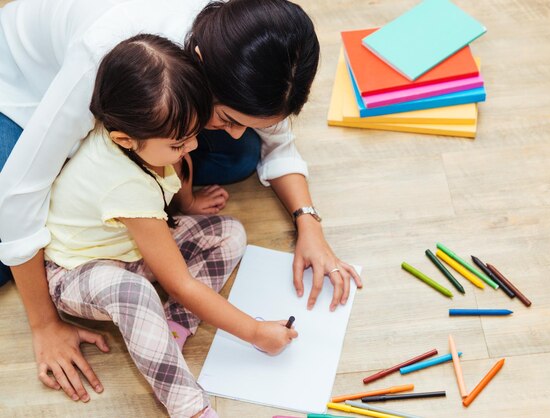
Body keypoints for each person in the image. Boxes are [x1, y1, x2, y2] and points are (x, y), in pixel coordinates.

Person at [0, 0, 362, 404]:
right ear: (201, 63)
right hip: (21, 90)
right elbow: (17, 192)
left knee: (240, 156)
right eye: (229, 118)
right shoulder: (100, 52)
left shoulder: (245, 40)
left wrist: (308, 222)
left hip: (131, 125)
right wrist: (44, 324)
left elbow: (277, 142)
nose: (238, 132)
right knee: (10, 256)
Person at [44, 33, 297, 418]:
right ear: (125, 140)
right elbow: (181, 282)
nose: (192, 147)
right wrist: (255, 332)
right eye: (180, 143)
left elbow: (173, 170)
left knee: (228, 233)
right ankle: (189, 408)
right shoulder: (125, 186)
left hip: (126, 245)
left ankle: (172, 328)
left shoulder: (148, 138)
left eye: (194, 135)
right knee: (133, 293)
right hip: (74, 270)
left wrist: (190, 201)